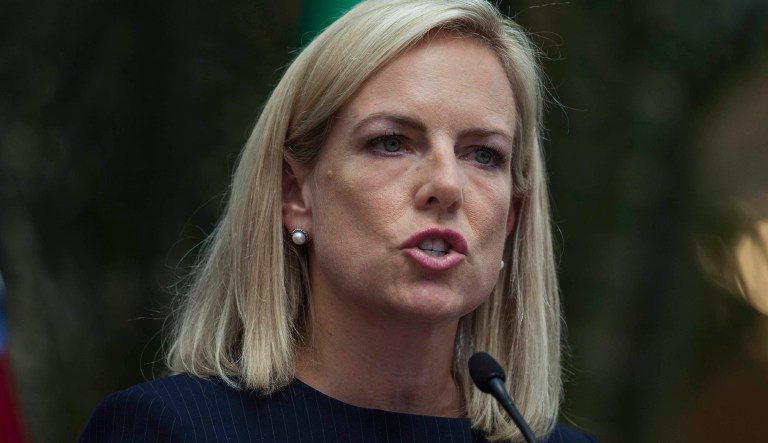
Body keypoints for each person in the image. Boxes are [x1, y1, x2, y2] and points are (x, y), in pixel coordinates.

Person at [80, 0, 596, 441]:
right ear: (295, 192)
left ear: (513, 216)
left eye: (483, 154)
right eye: (391, 143)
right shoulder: (168, 430)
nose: (447, 185)